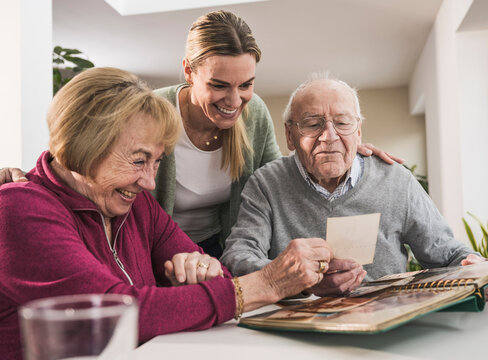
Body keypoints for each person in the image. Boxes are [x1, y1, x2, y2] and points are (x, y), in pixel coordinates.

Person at [0, 68, 365, 360]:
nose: (149, 182)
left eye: (157, 162)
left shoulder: (135, 205)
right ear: (83, 145)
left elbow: (218, 274)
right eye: (140, 160)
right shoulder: (19, 209)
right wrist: (267, 283)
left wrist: (202, 271)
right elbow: (119, 317)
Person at [0, 11, 401, 259]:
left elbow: (277, 182)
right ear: (189, 72)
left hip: (221, 247)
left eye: (246, 84)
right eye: (220, 85)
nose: (235, 99)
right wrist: (27, 179)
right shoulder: (151, 112)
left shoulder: (254, 114)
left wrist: (334, 151)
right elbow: (89, 154)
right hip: (147, 246)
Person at [220, 73, 485, 281]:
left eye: (343, 123)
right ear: (290, 135)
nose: (329, 136)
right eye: (313, 124)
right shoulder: (266, 184)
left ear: (359, 132)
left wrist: (472, 265)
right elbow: (238, 256)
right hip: (301, 329)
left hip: (386, 324)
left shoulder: (396, 181)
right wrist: (299, 278)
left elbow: (446, 252)